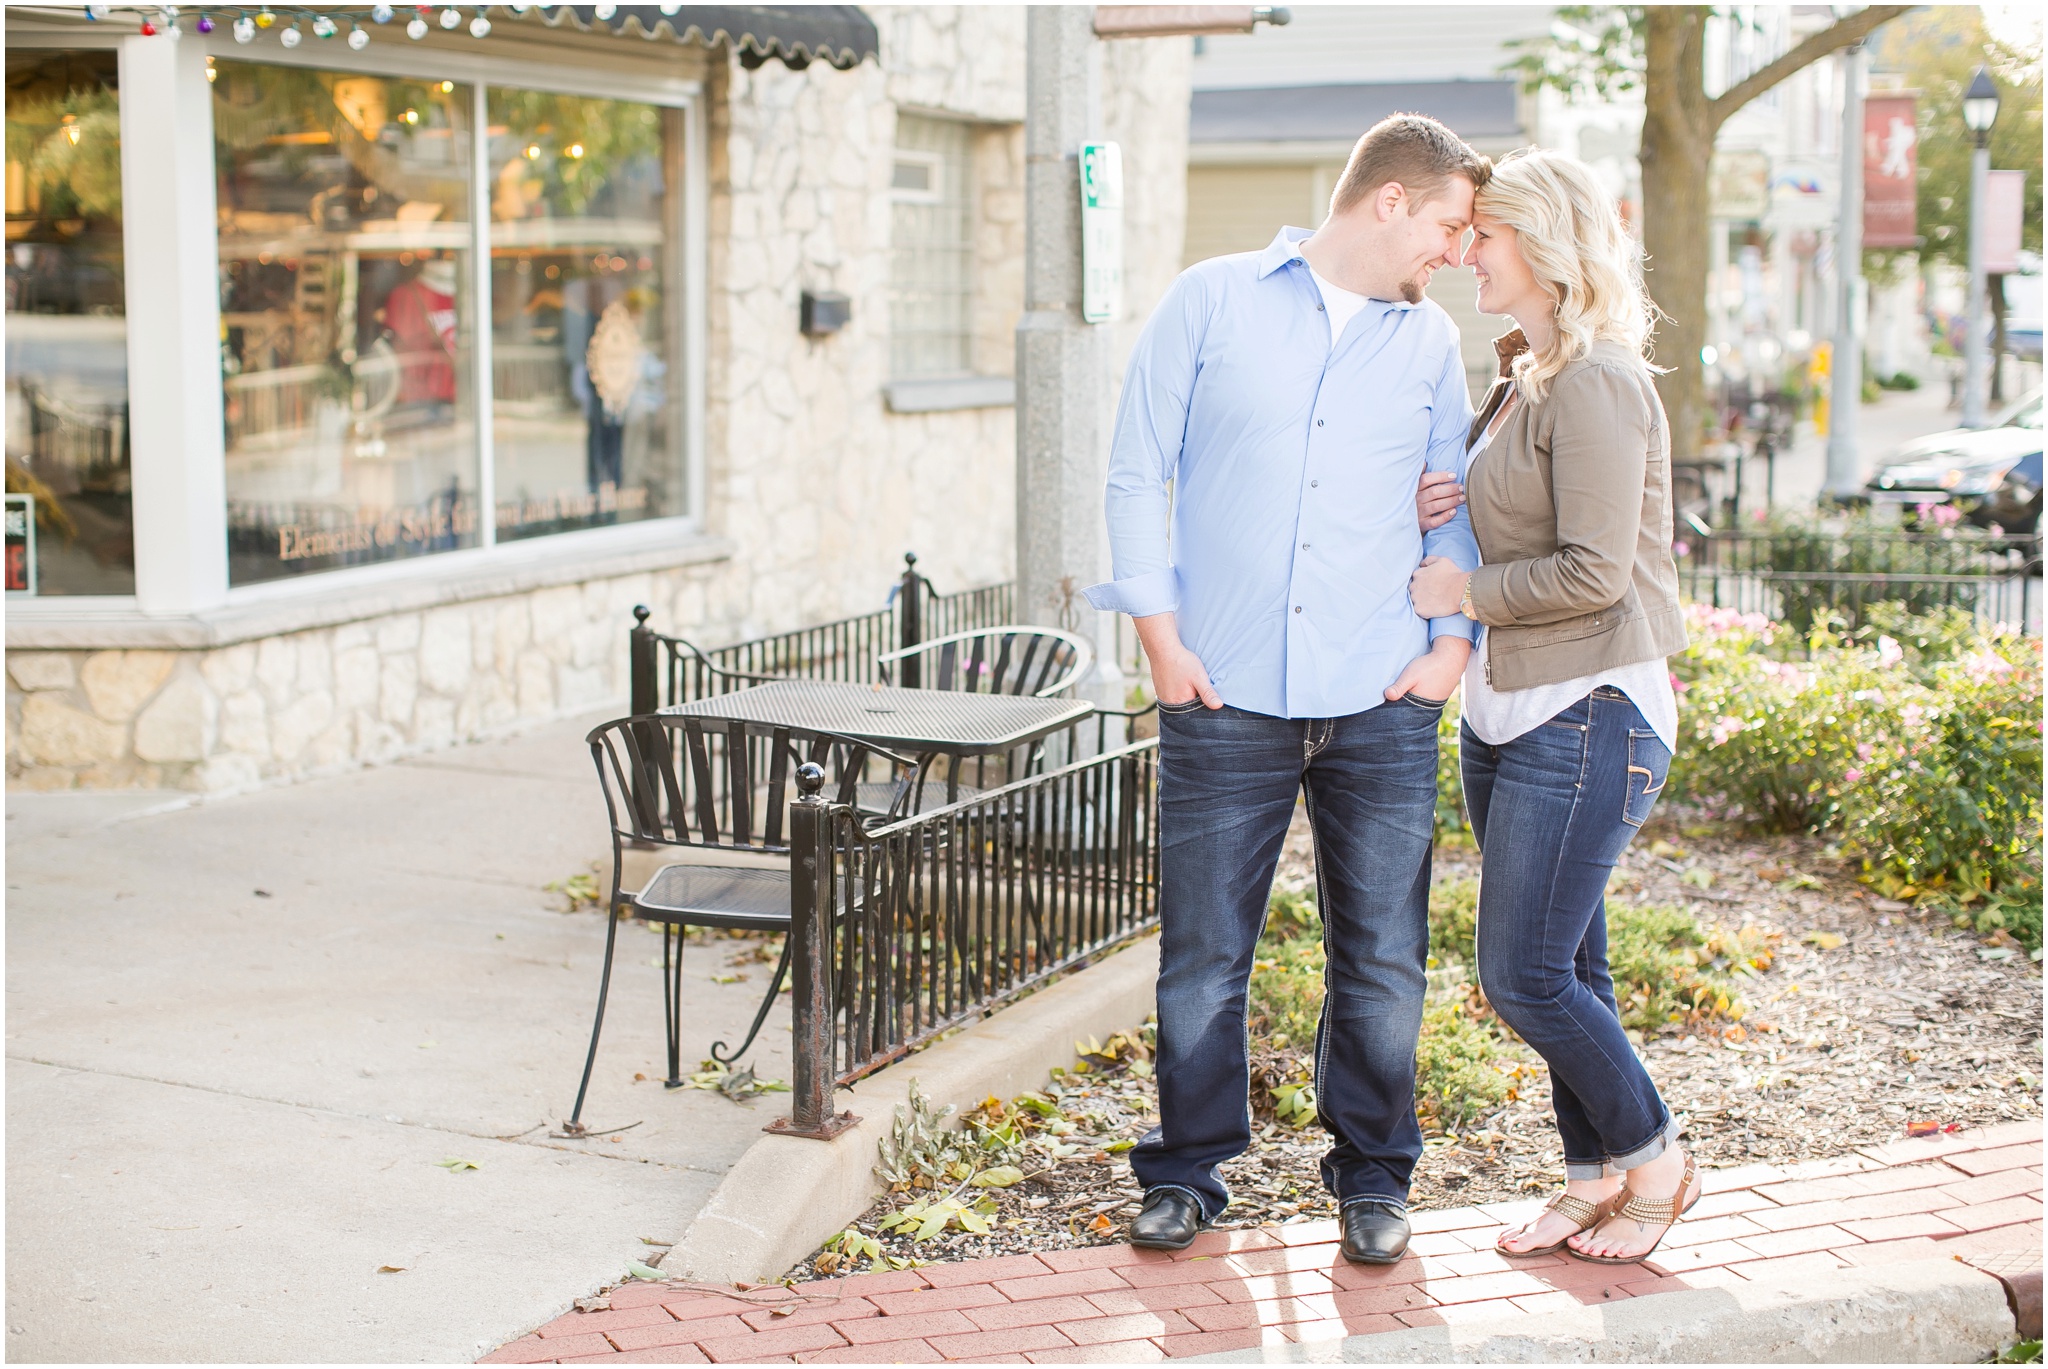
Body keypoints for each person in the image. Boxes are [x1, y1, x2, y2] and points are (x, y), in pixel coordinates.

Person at [1083, 114, 1489, 1264]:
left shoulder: (1424, 346)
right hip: (1222, 692)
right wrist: (1158, 641)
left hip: (1379, 697)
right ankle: (1190, 1170)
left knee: (1382, 954)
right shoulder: (1209, 300)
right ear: (1390, 202)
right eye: (1451, 225)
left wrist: (1446, 650)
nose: (1457, 253)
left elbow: (1451, 497)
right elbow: (1132, 470)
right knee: (1205, 953)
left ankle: (1372, 1175)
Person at [1408, 148, 1696, 1265]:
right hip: (1510, 710)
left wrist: (1462, 590)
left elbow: (1596, 569)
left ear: (1535, 239)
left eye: (1479, 234)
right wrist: (1457, 495)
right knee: (1572, 968)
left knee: (1522, 974)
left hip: (1589, 708)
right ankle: (1593, 1180)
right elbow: (1524, 506)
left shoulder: (1598, 379)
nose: (1462, 252)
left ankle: (1656, 1158)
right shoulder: (1524, 369)